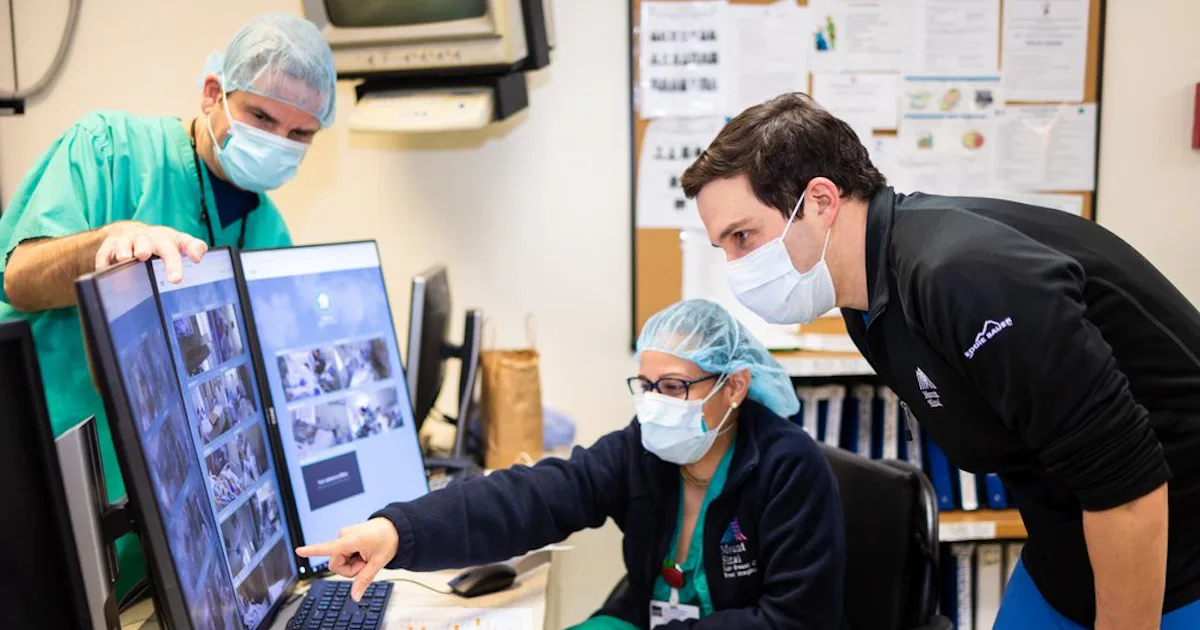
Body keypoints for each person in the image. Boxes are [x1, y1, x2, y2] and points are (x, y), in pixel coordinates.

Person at [680, 92, 1200, 629]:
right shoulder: (869, 297)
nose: (736, 267)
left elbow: (1126, 483)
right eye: (724, 248)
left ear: (820, 201)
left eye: (743, 237)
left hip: (1168, 549)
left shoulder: (960, 275)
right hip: (1066, 545)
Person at [0, 13, 336, 599]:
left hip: (162, 543)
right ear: (213, 93)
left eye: (300, 134)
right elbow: (19, 276)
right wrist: (105, 246)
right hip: (44, 494)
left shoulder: (270, 232)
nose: (277, 143)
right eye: (261, 117)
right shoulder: (110, 150)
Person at [298, 299, 846, 629]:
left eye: (675, 387)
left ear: (735, 386)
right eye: (647, 385)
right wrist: (399, 531)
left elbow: (799, 620)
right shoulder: (643, 449)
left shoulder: (788, 468)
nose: (655, 402)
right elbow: (536, 496)